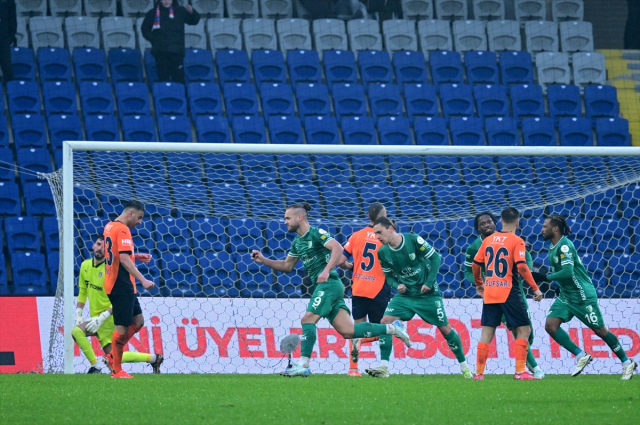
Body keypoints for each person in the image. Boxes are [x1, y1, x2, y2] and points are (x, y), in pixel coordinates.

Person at [251, 203, 411, 377]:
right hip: (326, 286)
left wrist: (326, 270)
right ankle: (392, 328)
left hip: (329, 284)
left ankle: (303, 364)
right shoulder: (298, 242)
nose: (285, 222)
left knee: (307, 320)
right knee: (348, 331)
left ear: (300, 217)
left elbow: (338, 248)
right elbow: (287, 266)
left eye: (288, 218)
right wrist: (264, 260)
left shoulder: (317, 233)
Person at [534, 215, 637, 380]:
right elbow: (565, 275)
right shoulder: (553, 247)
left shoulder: (565, 246)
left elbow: (567, 272)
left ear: (555, 229)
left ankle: (626, 362)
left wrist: (546, 278)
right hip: (567, 296)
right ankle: (581, 355)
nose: (542, 228)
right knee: (550, 325)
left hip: (582, 295)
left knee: (600, 330)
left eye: (545, 226)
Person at [370, 217, 472, 379]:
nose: (377, 237)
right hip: (406, 295)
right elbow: (388, 277)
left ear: (390, 228)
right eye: (375, 234)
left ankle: (465, 368)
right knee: (384, 322)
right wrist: (397, 286)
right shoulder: (382, 252)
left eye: (379, 232)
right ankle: (384, 367)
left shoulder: (412, 239)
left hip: (428, 294)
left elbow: (436, 258)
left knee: (445, 329)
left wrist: (429, 282)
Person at [464, 211, 545, 379]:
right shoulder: (516, 240)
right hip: (509, 291)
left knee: (487, 332)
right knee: (524, 330)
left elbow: (476, 264)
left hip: (491, 291)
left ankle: (478, 374)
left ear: (499, 221)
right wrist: (535, 288)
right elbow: (522, 267)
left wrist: (480, 283)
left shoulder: (488, 241)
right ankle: (520, 371)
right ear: (518, 222)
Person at [73, 235, 163, 374]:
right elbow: (83, 290)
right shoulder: (85, 265)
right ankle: (154, 359)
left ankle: (95, 367)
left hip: (108, 317)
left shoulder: (112, 270)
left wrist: (102, 317)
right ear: (93, 245)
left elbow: (120, 299)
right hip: (95, 317)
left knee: (77, 332)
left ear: (108, 251)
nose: (100, 248)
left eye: (104, 246)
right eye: (98, 244)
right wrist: (79, 312)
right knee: (112, 356)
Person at [103, 200, 156, 379]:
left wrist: (136, 256)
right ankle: (116, 370)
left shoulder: (110, 226)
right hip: (121, 284)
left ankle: (113, 357)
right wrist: (143, 279)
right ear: (131, 213)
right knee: (122, 327)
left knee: (138, 321)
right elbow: (124, 259)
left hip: (116, 282)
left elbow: (115, 253)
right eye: (140, 218)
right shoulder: (124, 229)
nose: (140, 222)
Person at [338, 203, 392, 377]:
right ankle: (384, 367)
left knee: (357, 329)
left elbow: (340, 260)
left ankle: (353, 369)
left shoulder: (356, 235)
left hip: (359, 287)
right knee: (384, 329)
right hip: (379, 288)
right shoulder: (385, 236)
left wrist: (350, 266)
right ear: (382, 216)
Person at [141, 0, 200, 84]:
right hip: (160, 52)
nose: (166, 1)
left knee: (179, 78)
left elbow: (193, 21)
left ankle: (180, 97)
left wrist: (192, 13)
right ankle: (165, 97)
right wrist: (154, 40)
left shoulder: (180, 11)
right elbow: (145, 29)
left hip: (177, 52)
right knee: (163, 79)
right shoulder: (153, 12)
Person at [0, 0, 17, 84]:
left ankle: (12, 90)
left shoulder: (8, 2)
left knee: (7, 68)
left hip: (3, 38)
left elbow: (12, 18)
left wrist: (11, 35)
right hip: (4, 37)